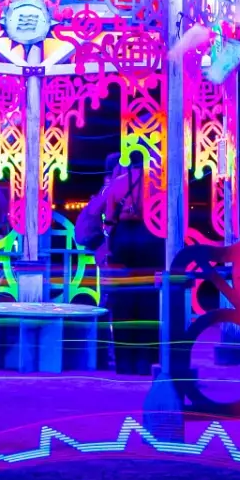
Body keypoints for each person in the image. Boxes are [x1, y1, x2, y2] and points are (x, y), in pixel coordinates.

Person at [92, 151, 164, 375]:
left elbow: (110, 218)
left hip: (123, 239)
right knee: (148, 300)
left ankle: (124, 363)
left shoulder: (118, 183)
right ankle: (146, 361)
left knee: (122, 300)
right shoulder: (156, 183)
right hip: (150, 239)